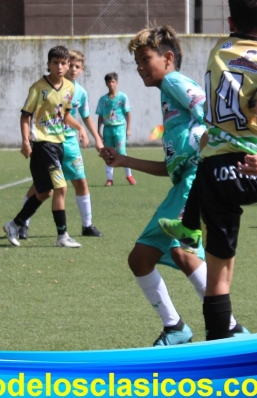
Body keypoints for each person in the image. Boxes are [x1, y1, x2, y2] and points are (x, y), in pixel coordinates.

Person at [159, 0, 257, 340]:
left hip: (217, 172)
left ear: (231, 22)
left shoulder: (219, 49)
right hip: (254, 168)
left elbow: (244, 95)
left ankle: (216, 352)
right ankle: (190, 224)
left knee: (218, 276)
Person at [101, 25, 244, 346]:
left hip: (196, 183)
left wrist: (211, 149)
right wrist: (124, 161)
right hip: (182, 185)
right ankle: (176, 327)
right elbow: (170, 169)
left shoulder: (175, 82)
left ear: (167, 58)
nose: (139, 67)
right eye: (136, 62)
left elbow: (213, 116)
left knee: (184, 251)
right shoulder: (168, 96)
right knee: (140, 259)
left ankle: (230, 329)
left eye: (144, 59)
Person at [3, 46, 88, 248]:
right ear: (48, 64)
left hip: (59, 143)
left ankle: (14, 225)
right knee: (62, 187)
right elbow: (26, 115)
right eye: (55, 63)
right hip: (43, 144)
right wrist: (25, 141)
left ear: (68, 65)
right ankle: (62, 236)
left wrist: (80, 128)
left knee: (45, 192)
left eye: (63, 63)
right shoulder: (38, 88)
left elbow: (65, 115)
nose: (60, 67)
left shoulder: (69, 88)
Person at [19, 50, 104, 240]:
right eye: (69, 65)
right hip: (48, 141)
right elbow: (27, 114)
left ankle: (87, 224)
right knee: (41, 186)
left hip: (69, 143)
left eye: (76, 66)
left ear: (82, 69)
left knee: (80, 181)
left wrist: (96, 137)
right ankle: (22, 224)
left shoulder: (79, 91)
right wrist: (26, 140)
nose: (71, 69)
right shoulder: (44, 88)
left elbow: (84, 116)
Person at [96, 72, 135, 186]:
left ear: (116, 83)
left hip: (119, 128)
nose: (111, 84)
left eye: (113, 81)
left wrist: (128, 129)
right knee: (108, 153)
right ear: (106, 83)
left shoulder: (123, 97)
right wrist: (98, 130)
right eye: (109, 82)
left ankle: (129, 175)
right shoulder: (103, 99)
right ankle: (109, 179)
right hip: (107, 129)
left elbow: (128, 113)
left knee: (122, 152)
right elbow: (100, 115)